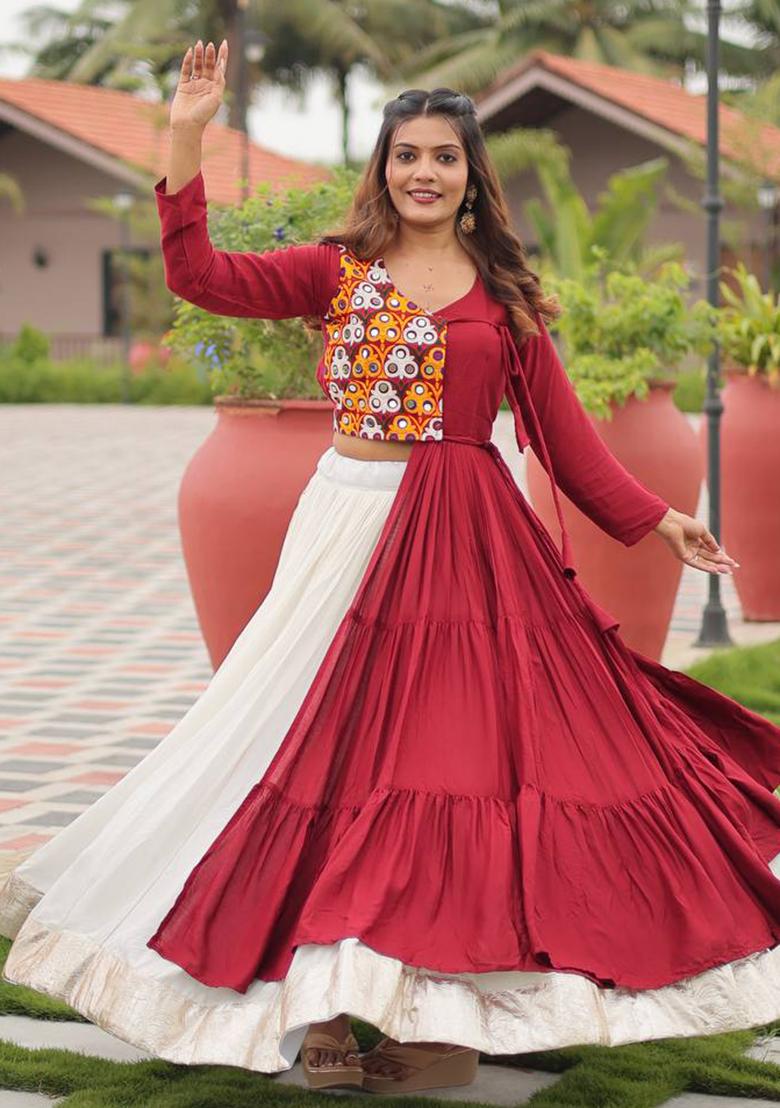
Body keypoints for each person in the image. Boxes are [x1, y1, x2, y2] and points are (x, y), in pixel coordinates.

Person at [1, 35, 779, 1099]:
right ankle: (318, 1003)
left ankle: (448, 1022)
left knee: (455, 777)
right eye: (405, 153)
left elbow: (566, 442)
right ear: (383, 168)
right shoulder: (335, 269)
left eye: (443, 157)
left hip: (469, 551)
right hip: (348, 534)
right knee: (317, 759)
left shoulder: (502, 299)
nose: (423, 171)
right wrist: (184, 134)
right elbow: (200, 276)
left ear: (471, 178)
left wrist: (661, 522)